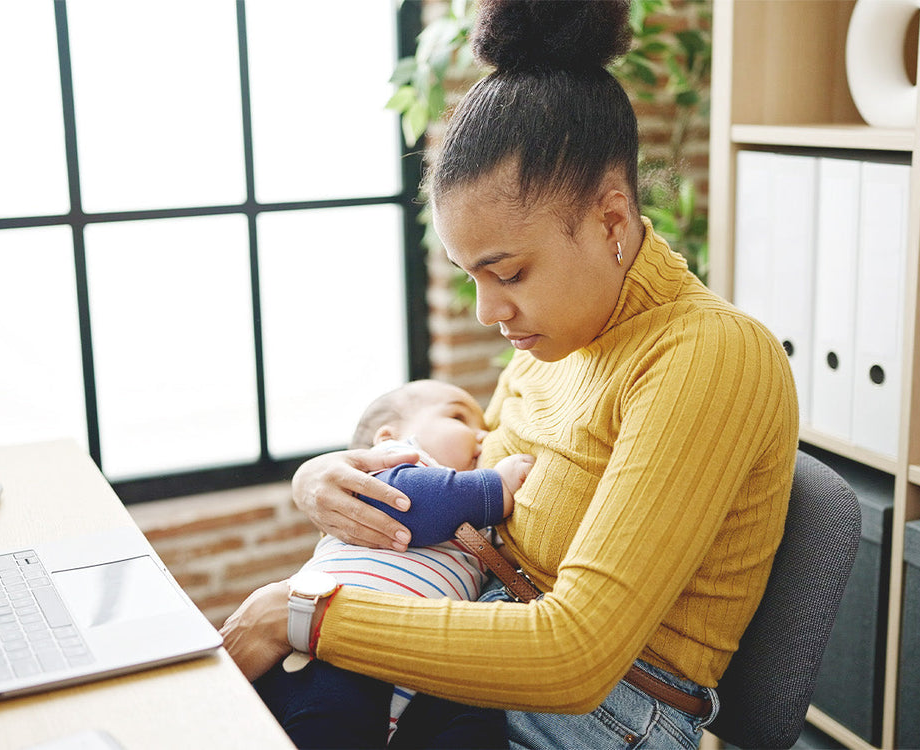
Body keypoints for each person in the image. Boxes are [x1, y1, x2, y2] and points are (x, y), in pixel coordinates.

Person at [221, 1, 798, 748]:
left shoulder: (708, 357)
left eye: (510, 273)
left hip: (599, 711)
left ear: (613, 224)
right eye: (471, 278)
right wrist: (324, 479)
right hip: (481, 647)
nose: (490, 310)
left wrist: (301, 612)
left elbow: (576, 656)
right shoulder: (560, 336)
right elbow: (477, 469)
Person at [253, 379, 533, 749]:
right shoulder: (385, 473)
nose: (481, 437)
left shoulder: (474, 515)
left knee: (478, 722)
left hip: (416, 667)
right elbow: (418, 505)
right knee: (328, 725)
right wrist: (495, 486)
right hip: (332, 653)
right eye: (458, 416)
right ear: (388, 437)